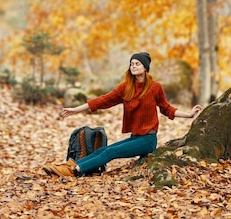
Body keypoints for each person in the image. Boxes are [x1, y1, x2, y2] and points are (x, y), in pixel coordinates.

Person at [43, 52, 202, 177]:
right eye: (131, 64)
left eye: (137, 63)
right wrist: (75, 109)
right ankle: (70, 166)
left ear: (145, 67)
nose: (133, 66)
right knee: (102, 150)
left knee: (110, 152)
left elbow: (166, 108)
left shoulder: (155, 87)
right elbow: (103, 100)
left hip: (148, 140)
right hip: (135, 137)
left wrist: (189, 114)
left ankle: (76, 170)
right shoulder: (126, 88)